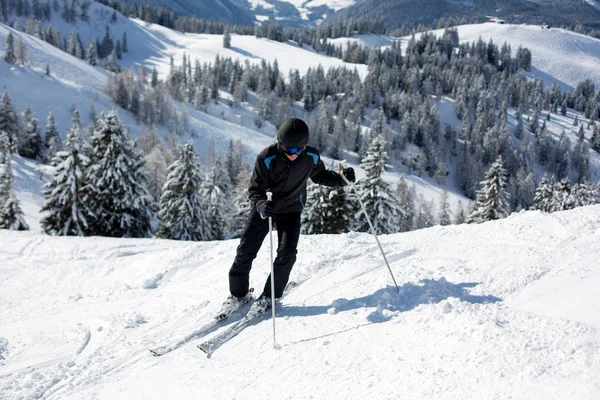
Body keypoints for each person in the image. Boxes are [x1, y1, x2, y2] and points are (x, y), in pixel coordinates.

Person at [216, 118, 355, 320]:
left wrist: (341, 180)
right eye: (287, 149)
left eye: (297, 151)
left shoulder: (311, 157)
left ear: (304, 147)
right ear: (280, 143)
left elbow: (321, 176)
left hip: (291, 210)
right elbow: (254, 190)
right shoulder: (267, 158)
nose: (292, 155)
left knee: (287, 254)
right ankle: (238, 295)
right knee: (246, 250)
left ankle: (269, 296)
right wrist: (262, 205)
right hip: (266, 209)